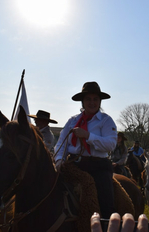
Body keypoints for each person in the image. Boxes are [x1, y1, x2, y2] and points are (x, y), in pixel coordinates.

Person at [54, 81, 117, 219]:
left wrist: (88, 136)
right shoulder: (72, 121)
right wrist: (59, 160)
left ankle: (106, 224)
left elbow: (111, 144)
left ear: (100, 101)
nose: (92, 102)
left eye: (95, 99)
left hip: (98, 168)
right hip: (73, 165)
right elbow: (61, 144)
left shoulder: (106, 121)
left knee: (106, 205)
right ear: (82, 101)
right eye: (88, 99)